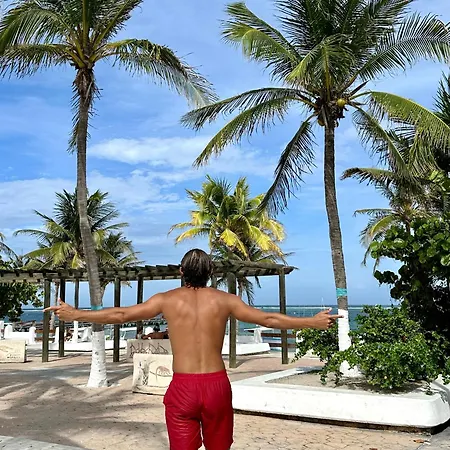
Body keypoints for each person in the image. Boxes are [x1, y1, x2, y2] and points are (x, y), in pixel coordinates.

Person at [45, 248, 342, 450]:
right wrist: (311, 322)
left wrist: (75, 314)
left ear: (181, 271)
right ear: (211, 271)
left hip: (183, 387)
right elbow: (268, 319)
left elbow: (121, 315)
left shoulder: (166, 300)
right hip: (216, 386)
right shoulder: (226, 300)